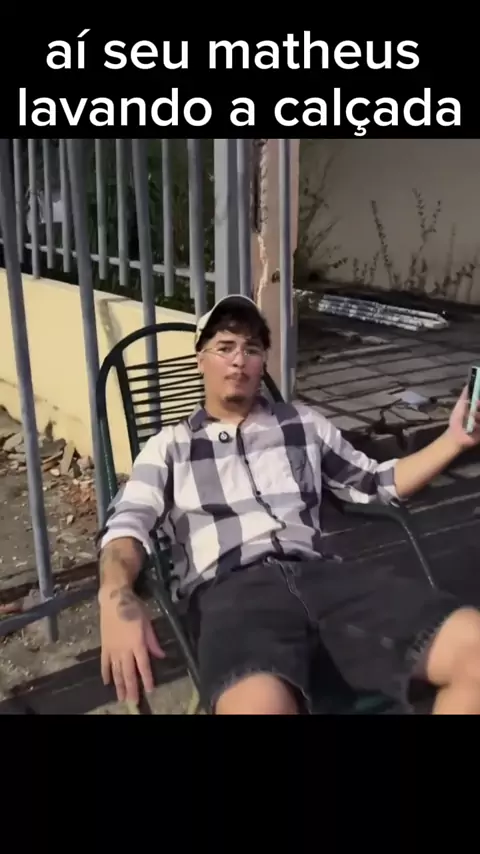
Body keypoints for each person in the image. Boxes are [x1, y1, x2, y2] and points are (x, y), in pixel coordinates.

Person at [98, 294, 480, 714]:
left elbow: (375, 483)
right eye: (225, 347)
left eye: (252, 348)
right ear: (200, 360)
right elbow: (127, 526)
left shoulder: (303, 423)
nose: (239, 360)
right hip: (233, 593)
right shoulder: (169, 446)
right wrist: (116, 594)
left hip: (324, 577)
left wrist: (454, 441)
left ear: (263, 362)